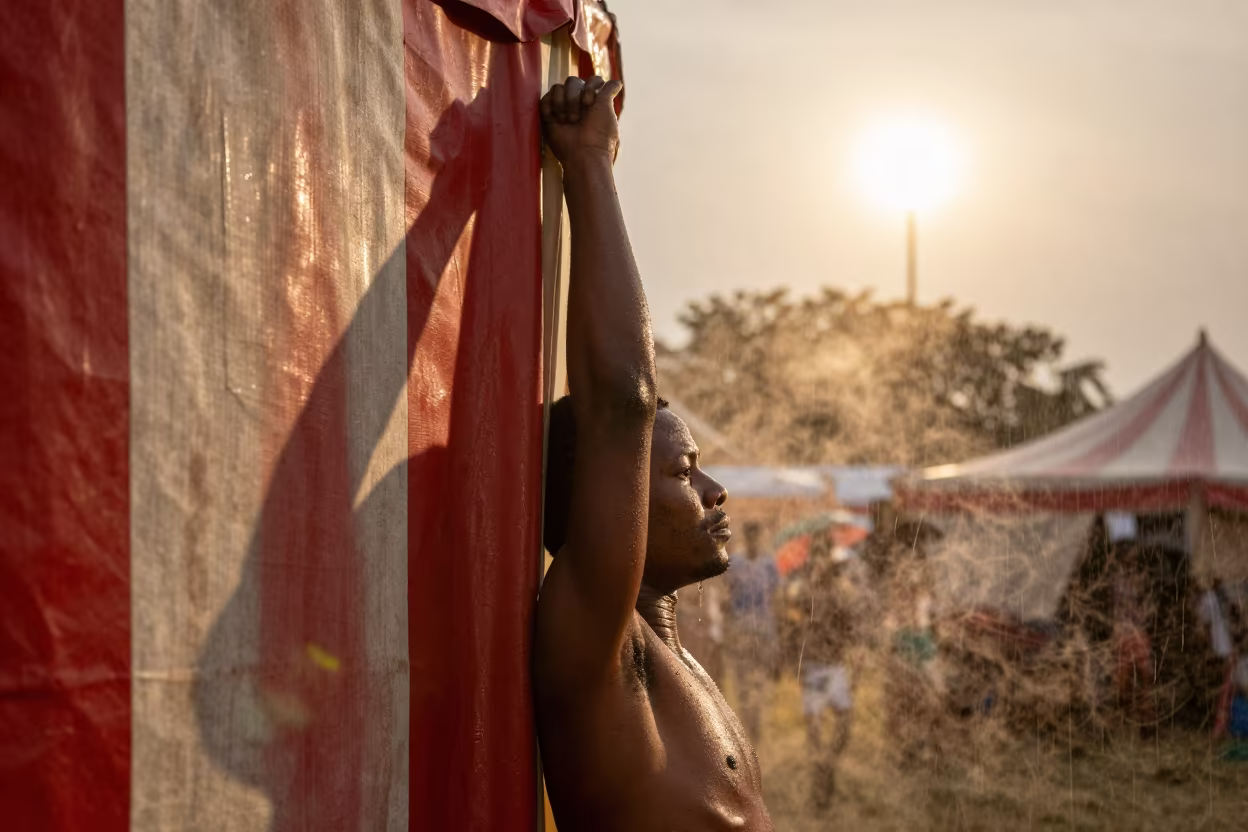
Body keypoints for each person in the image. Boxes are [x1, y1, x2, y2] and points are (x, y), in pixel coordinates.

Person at [532, 76, 773, 831]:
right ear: (609, 502)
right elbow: (620, 404)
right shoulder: (595, 641)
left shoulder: (678, 661)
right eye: (678, 471)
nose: (713, 490)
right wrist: (591, 163)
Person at [783, 535, 861, 810]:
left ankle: (827, 768)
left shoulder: (839, 590)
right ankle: (821, 780)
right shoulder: (808, 590)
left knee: (843, 726)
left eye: (824, 555)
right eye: (818, 555)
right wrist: (794, 661)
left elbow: (853, 628)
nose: (821, 561)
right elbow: (794, 625)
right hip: (816, 666)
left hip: (834, 665)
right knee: (816, 730)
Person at [725, 521, 781, 743]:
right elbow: (726, 597)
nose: (754, 542)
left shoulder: (769, 565)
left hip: (764, 631)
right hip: (741, 630)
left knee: (759, 679)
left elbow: (776, 599)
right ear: (746, 538)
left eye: (757, 537)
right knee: (743, 680)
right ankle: (746, 725)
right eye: (751, 537)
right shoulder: (734, 564)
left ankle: (755, 726)